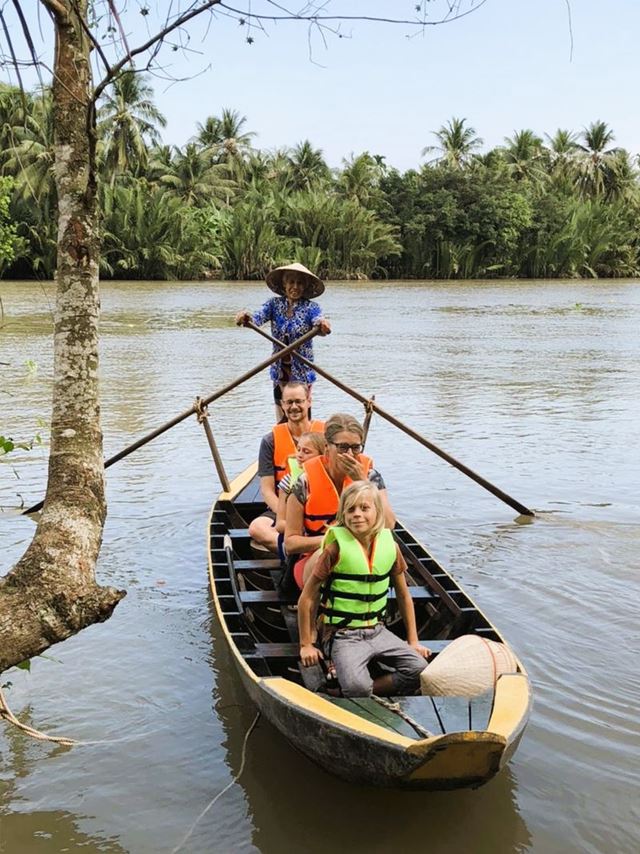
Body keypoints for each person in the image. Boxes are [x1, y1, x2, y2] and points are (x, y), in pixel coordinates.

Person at [298, 481, 431, 698]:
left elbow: (404, 595)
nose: (357, 515)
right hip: (343, 634)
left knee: (420, 670)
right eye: (350, 509)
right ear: (343, 514)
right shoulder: (334, 549)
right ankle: (356, 690)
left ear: (377, 512)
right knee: (357, 687)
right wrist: (306, 644)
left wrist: (413, 642)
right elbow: (307, 598)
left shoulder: (390, 547)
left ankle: (347, 692)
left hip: (378, 630)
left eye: (364, 508)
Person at [284, 413, 394, 589]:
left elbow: (389, 525)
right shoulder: (304, 483)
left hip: (361, 555)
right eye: (343, 447)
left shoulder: (371, 477)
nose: (350, 454)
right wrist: (336, 541)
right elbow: (290, 543)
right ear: (327, 448)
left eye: (355, 448)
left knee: (389, 549)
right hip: (314, 558)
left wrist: (362, 482)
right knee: (329, 555)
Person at [235, 262, 331, 421]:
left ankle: (305, 437)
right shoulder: (274, 304)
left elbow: (319, 323)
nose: (295, 287)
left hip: (302, 371)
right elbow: (257, 318)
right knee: (282, 415)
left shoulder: (311, 307)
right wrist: (246, 318)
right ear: (284, 285)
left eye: (300, 283)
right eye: (291, 282)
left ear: (305, 286)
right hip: (280, 370)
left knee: (300, 412)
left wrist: (323, 325)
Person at [249, 382, 324, 553]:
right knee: (257, 528)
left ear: (309, 401)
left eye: (299, 401)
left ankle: (302, 546)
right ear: (282, 405)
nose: (294, 407)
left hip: (320, 507)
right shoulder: (270, 441)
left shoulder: (325, 435)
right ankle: (297, 549)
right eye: (289, 402)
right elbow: (267, 490)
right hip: (282, 507)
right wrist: (289, 515)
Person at [275, 431, 327, 535]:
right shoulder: (287, 482)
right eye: (298, 450)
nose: (299, 455)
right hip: (299, 536)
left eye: (306, 452)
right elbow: (280, 524)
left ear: (322, 455)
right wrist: (302, 529)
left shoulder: (331, 481)